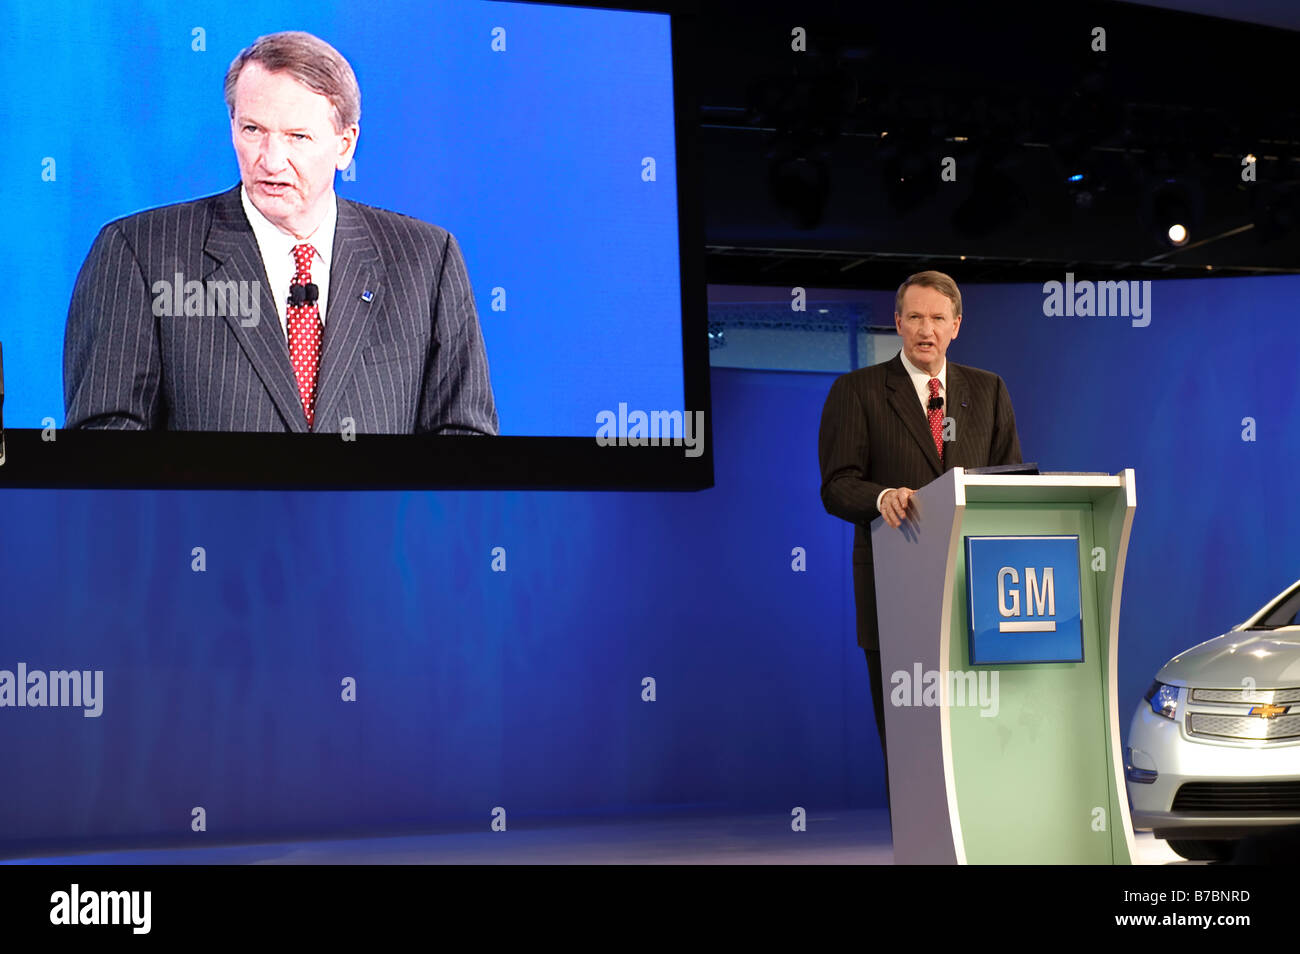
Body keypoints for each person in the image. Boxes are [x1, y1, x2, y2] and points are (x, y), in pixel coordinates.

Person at [63, 31, 497, 435]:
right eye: (252, 130)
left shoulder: (426, 260)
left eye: (297, 137)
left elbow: (462, 441)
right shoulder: (140, 253)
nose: (270, 160)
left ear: (345, 144)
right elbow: (105, 441)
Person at [817, 270, 1021, 795]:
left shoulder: (989, 389)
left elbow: (1011, 483)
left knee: (980, 747)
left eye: (937, 318)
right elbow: (837, 486)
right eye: (914, 317)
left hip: (978, 600)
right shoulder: (856, 392)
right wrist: (881, 497)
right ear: (898, 323)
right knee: (910, 750)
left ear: (956, 325)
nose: (925, 329)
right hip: (897, 596)